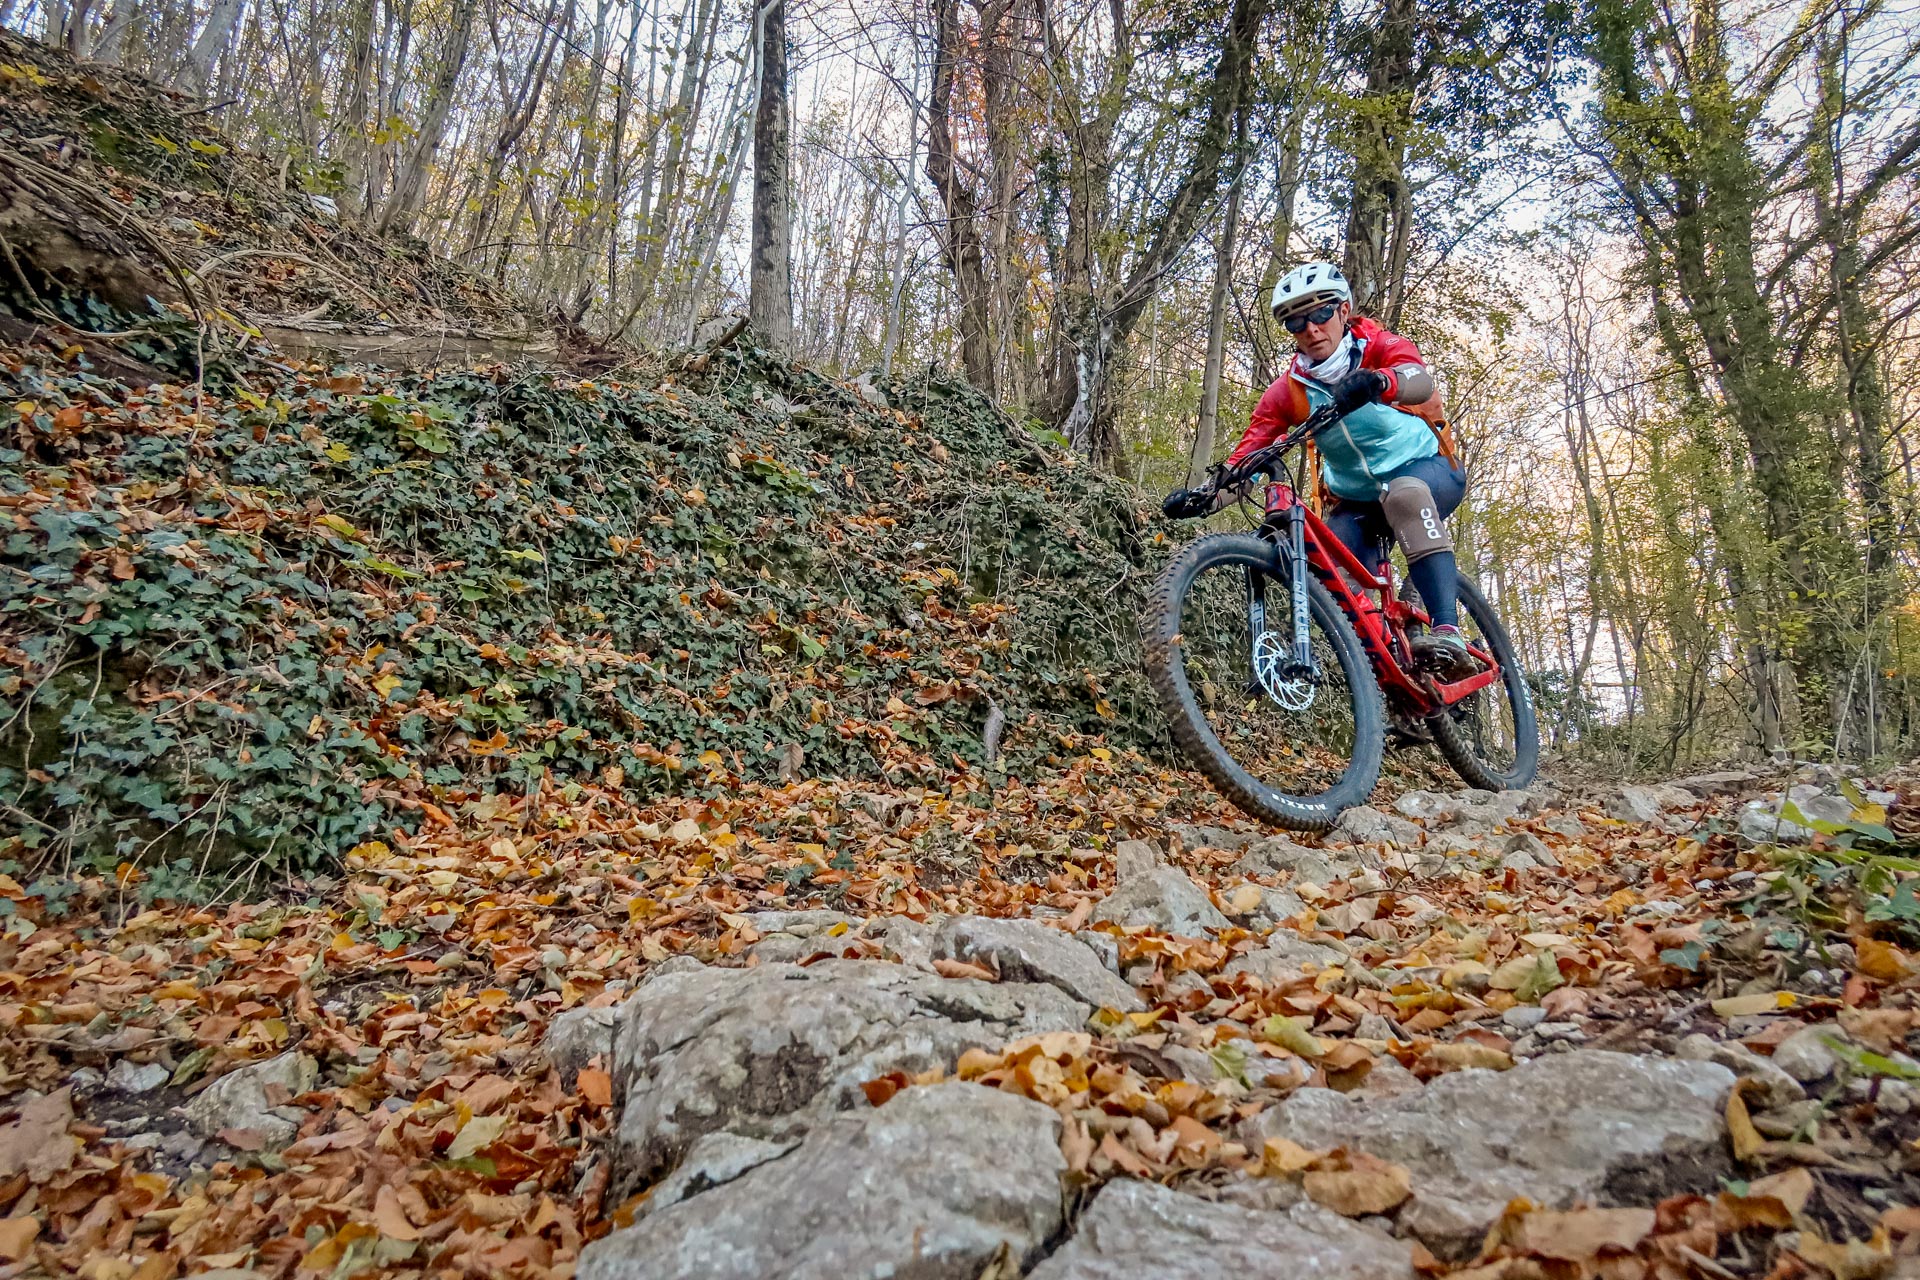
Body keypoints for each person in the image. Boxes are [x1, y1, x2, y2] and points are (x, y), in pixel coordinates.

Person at [1166, 261, 1471, 673]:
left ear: (1343, 312)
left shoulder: (1378, 345)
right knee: (1332, 572)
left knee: (1405, 494)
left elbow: (1419, 379)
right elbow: (1249, 456)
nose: (1311, 328)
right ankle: (1388, 682)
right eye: (1296, 322)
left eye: (1321, 313)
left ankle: (1448, 632)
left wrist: (1381, 382)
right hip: (1357, 500)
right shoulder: (1289, 391)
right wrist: (1204, 497)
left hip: (1428, 469)